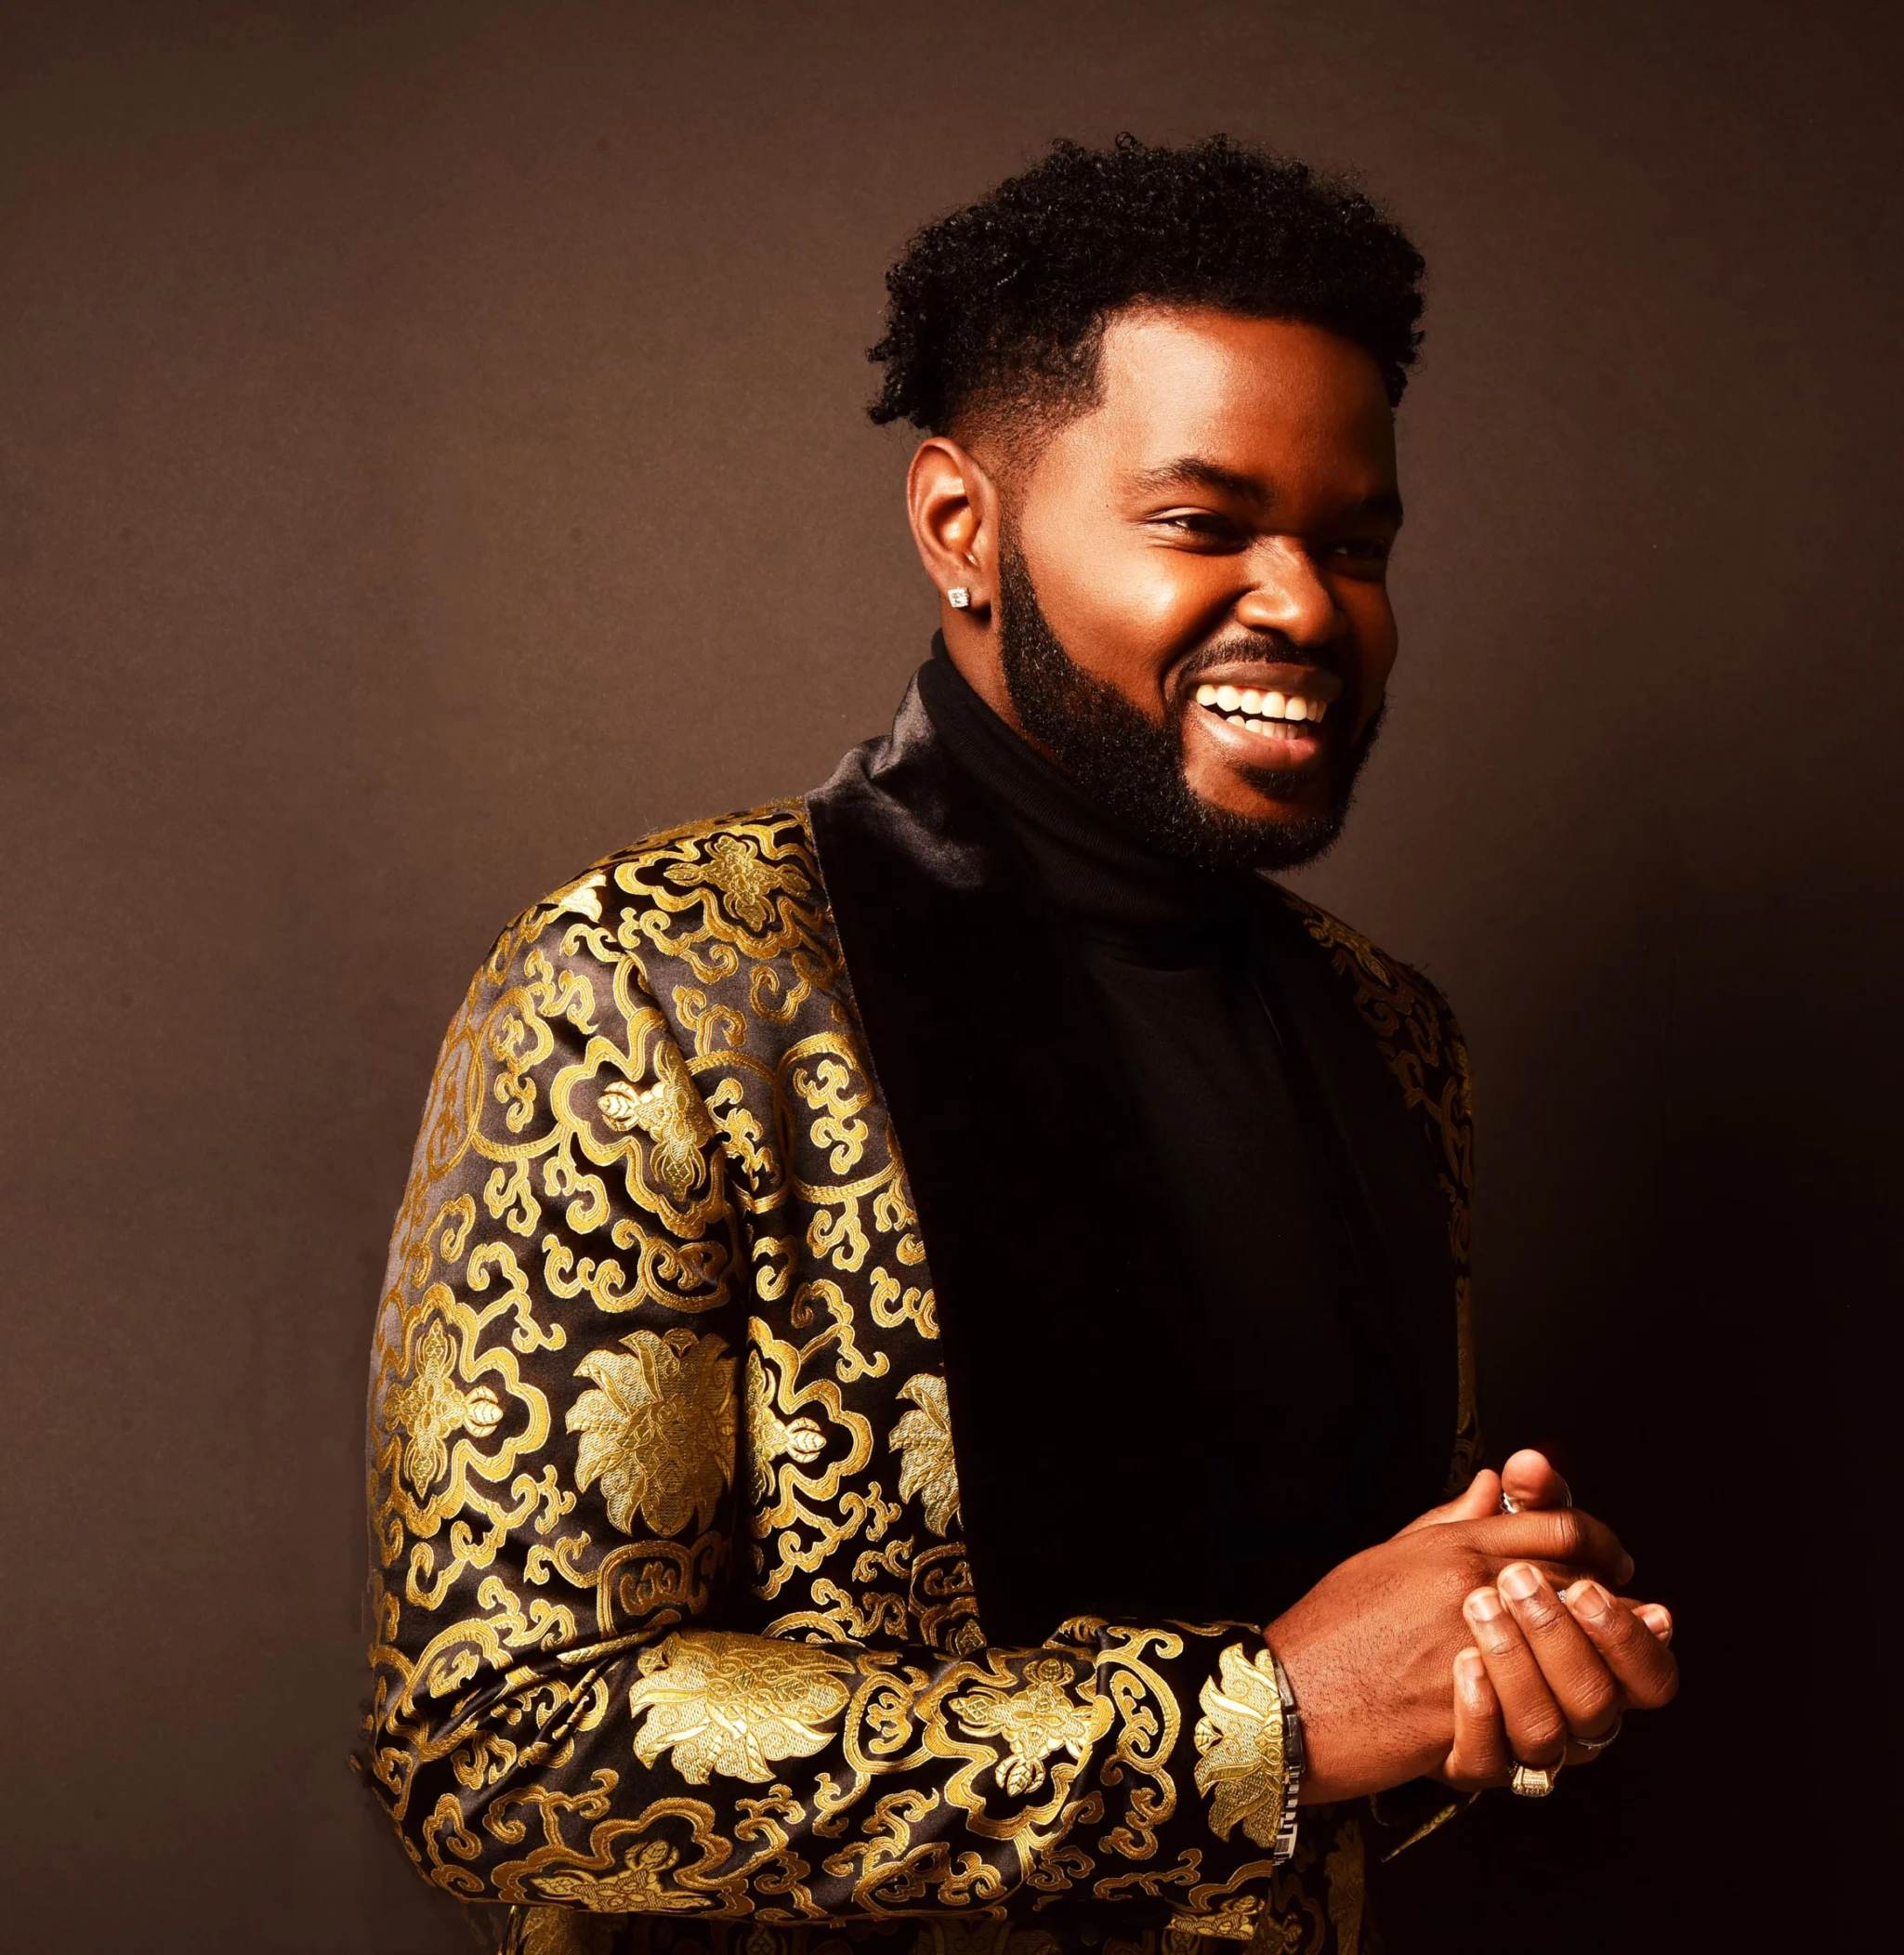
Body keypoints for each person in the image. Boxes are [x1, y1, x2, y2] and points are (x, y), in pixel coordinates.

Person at [357, 135, 1676, 1955]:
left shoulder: (1389, 1038)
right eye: (1205, 523)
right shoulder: (654, 988)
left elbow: (1317, 1768)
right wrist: (1257, 1721)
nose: (1303, 606)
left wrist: (1493, 1667)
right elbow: (495, 1750)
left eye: (1352, 539)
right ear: (961, 529)